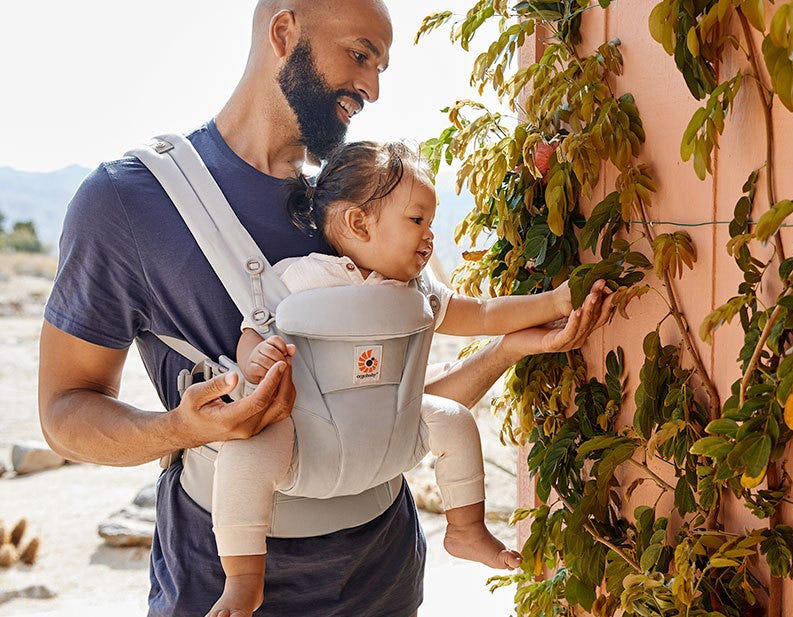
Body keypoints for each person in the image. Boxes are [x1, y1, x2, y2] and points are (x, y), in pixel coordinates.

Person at [37, 1, 613, 615]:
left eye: (382, 67)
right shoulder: (131, 202)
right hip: (226, 591)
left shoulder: (364, 211)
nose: (371, 86)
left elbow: (394, 415)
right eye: (360, 55)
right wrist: (181, 428)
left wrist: (507, 349)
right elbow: (64, 413)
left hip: (385, 577)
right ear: (284, 31)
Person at [210, 140, 581, 616]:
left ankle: (466, 529)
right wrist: (256, 357)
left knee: (452, 418)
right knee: (243, 457)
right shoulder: (301, 278)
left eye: (431, 221)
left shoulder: (417, 290)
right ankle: (244, 579)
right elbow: (251, 331)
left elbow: (485, 313)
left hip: (390, 435)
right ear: (358, 222)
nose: (429, 235)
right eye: (416, 220)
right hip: (304, 441)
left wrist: (555, 302)